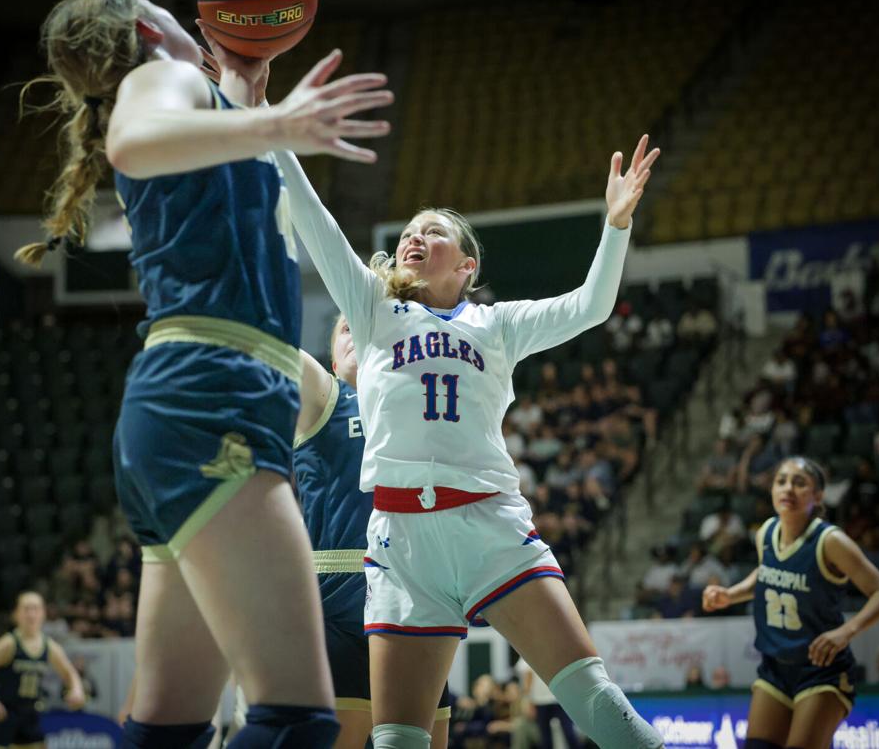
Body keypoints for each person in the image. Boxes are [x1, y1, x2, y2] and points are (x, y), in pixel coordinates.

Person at [14, 0, 392, 748]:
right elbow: (132, 140)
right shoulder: (161, 80)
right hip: (216, 394)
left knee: (169, 727)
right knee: (295, 721)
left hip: (182, 408)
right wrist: (277, 119)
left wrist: (249, 92)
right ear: (148, 30)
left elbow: (198, 145)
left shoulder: (204, 103)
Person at [276, 133, 662, 748]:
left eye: (432, 231)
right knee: (399, 740)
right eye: (408, 231)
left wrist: (615, 226)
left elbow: (591, 306)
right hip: (401, 546)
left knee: (595, 700)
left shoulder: (497, 324)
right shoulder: (373, 309)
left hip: (490, 527)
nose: (412, 237)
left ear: (466, 266)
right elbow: (313, 218)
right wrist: (269, 122)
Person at [231, 317, 452, 748]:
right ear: (332, 356)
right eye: (348, 328)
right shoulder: (326, 396)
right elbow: (273, 345)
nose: (360, 335)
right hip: (338, 606)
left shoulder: (421, 407)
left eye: (370, 326)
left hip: (417, 605)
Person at [703, 457, 879, 749]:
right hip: (775, 667)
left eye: (800, 482)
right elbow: (768, 573)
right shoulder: (766, 533)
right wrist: (732, 594)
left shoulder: (830, 541)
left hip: (822, 668)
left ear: (818, 495)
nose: (788, 489)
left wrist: (847, 631)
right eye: (781, 481)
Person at [0, 592, 86, 749]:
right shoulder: (9, 643)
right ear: (16, 614)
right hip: (4, 714)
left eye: (36, 608)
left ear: (43, 613)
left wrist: (77, 690)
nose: (31, 614)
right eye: (26, 609)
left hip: (30, 715)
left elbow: (69, 672)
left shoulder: (49, 645)